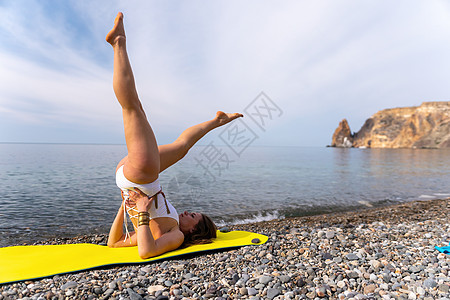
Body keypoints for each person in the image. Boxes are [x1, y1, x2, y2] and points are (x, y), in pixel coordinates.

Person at [105, 12, 243, 259]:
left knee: (133, 107)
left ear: (194, 231)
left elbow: (145, 252)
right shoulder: (171, 225)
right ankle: (216, 121)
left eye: (192, 217)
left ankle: (118, 43)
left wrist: (140, 210)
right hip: (140, 176)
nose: (188, 213)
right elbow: (114, 244)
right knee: (181, 147)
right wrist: (123, 205)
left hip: (141, 174)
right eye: (193, 212)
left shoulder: (177, 236)